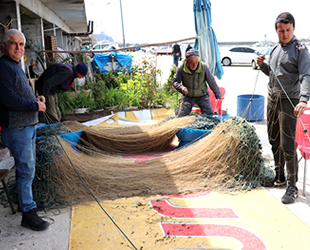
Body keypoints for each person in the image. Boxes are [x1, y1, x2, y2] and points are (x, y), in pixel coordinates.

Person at [257, 12, 310, 204]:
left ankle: (292, 187)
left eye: (288, 30)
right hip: (272, 99)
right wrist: (263, 66)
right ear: (276, 31)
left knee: (288, 145)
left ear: (294, 28)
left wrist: (304, 99)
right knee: (273, 139)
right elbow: (273, 75)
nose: (285, 34)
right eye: (281, 31)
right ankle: (279, 177)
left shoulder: (301, 49)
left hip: (290, 102)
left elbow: (306, 75)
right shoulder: (275, 49)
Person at [0, 29, 49, 231]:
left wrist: (34, 99)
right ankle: (28, 214)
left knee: (28, 168)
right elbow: (7, 98)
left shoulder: (14, 65)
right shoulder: (3, 66)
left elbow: (18, 94)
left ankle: (26, 202)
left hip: (25, 126)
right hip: (17, 128)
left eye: (21, 44)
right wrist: (34, 106)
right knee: (25, 169)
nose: (18, 48)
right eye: (14, 43)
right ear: (4, 45)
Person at [173, 48, 222, 117]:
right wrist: (181, 88)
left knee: (210, 116)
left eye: (196, 62)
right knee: (182, 116)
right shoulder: (181, 68)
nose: (194, 65)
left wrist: (218, 94)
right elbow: (175, 82)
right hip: (188, 95)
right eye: (192, 63)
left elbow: (211, 81)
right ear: (187, 61)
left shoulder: (203, 67)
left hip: (202, 95)